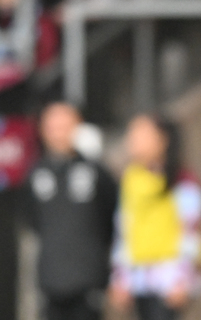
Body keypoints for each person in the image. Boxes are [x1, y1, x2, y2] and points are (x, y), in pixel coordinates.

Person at [21, 101, 118, 320]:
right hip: (51, 281)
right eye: (53, 127)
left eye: (66, 126)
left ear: (80, 126)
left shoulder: (97, 172)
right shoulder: (36, 174)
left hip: (89, 281)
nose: (59, 134)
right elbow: (32, 220)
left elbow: (110, 214)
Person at [109, 114, 201, 320]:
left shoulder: (182, 181)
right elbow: (124, 228)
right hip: (139, 277)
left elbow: (191, 231)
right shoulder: (131, 178)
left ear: (163, 139)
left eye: (142, 134)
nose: (133, 140)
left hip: (169, 278)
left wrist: (184, 278)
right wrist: (120, 277)